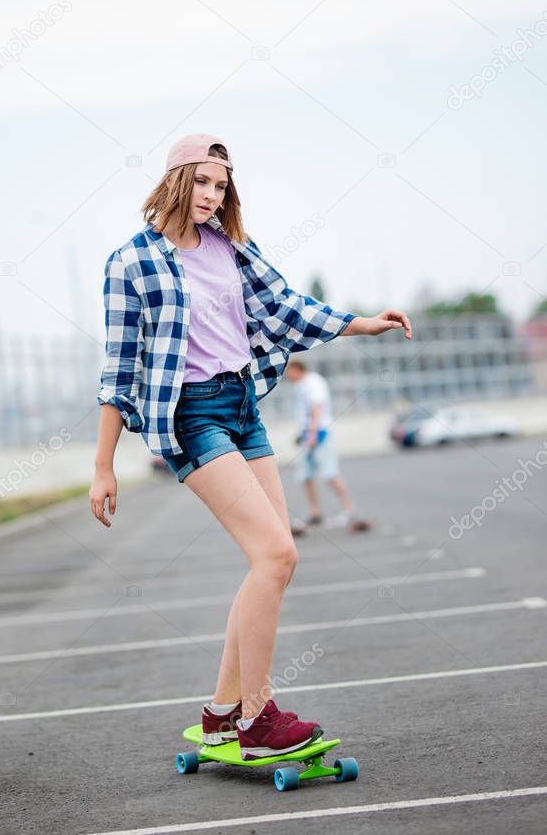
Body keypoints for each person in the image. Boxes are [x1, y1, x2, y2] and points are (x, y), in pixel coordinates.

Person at [89, 133, 412, 759]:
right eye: (202, 182)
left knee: (274, 561)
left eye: (221, 185)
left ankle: (220, 713)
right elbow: (117, 369)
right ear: (176, 180)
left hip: (243, 407)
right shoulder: (130, 262)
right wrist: (103, 465)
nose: (212, 196)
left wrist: (359, 323)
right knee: (274, 555)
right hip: (191, 415)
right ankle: (257, 719)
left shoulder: (233, 248)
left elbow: (286, 306)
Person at [285, 358, 371, 536]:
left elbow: (317, 408)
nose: (287, 377)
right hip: (307, 434)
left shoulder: (313, 382)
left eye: (289, 373)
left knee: (330, 474)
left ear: (297, 369)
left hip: (319, 434)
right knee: (305, 476)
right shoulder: (300, 385)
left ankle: (350, 511)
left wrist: (313, 433)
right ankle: (315, 512)